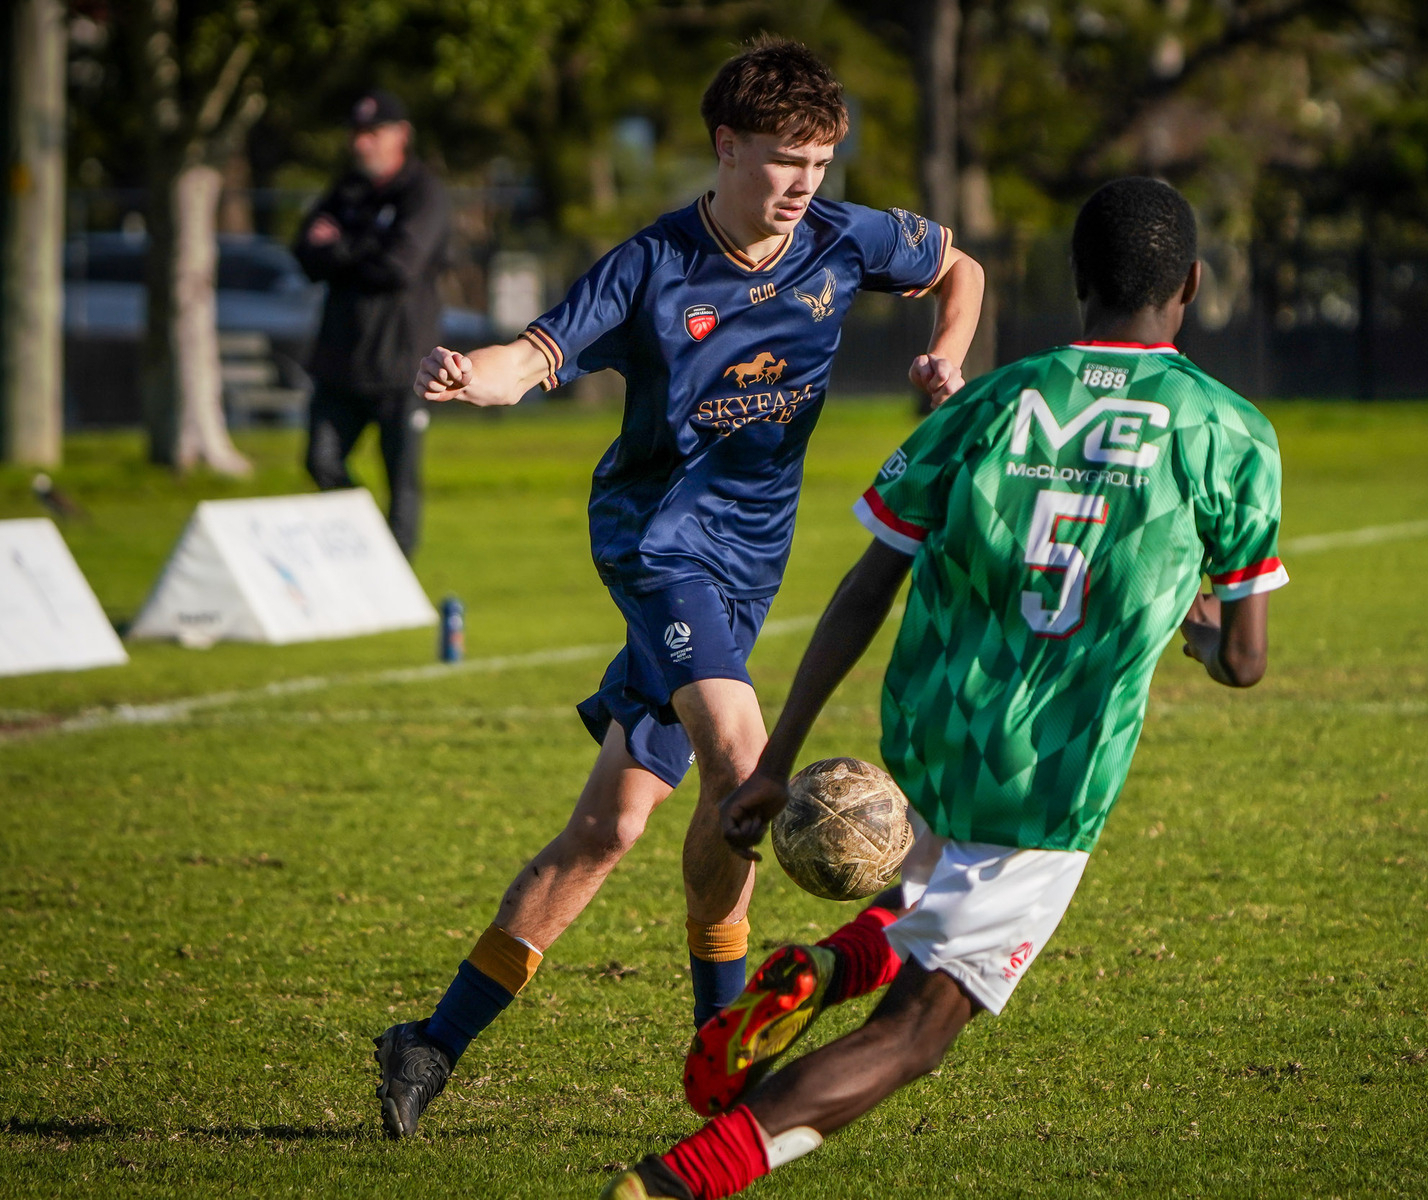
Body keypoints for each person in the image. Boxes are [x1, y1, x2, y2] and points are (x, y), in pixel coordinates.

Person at [600, 177, 1288, 1200]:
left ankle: (824, 970)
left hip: (928, 734)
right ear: (1190, 284)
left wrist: (774, 764)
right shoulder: (1228, 432)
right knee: (919, 1031)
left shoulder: (992, 401)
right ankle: (670, 1185)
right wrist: (1184, 622)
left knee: (929, 895)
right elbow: (1243, 658)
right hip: (1051, 779)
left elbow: (865, 584)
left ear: (1076, 280)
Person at [370, 38, 985, 1139]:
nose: (804, 184)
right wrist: (475, 377)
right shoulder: (651, 267)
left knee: (605, 831)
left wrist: (948, 356)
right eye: (784, 160)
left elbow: (961, 267)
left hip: (747, 573)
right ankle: (725, 1060)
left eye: (820, 162)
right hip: (657, 549)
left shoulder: (843, 240)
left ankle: (431, 1039)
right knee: (746, 773)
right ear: (725, 146)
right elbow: (535, 352)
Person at [294, 89, 449, 559]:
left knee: (400, 480)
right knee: (320, 462)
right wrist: (366, 244)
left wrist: (341, 246)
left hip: (403, 364)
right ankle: (365, 551)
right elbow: (304, 253)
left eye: (373, 134)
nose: (362, 144)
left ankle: (397, 575)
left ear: (401, 135)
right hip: (341, 361)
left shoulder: (423, 192)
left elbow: (399, 266)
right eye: (357, 134)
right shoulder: (347, 190)